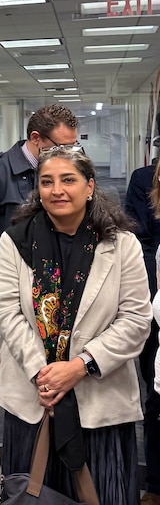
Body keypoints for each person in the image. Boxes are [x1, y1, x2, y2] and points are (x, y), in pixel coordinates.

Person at [0, 147, 150, 503]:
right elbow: (5, 312)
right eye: (47, 181)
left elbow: (136, 319)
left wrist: (80, 366)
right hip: (33, 399)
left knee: (101, 492)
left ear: (90, 186)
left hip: (99, 402)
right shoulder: (14, 242)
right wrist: (43, 374)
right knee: (32, 493)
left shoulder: (122, 245)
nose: (56, 189)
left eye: (68, 179)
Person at [0, 104, 79, 356]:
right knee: (9, 370)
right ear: (36, 139)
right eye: (61, 147)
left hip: (58, 290)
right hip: (10, 289)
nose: (69, 155)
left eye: (73, 147)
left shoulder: (70, 171)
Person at [125, 159, 160, 505]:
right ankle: (156, 482)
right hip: (157, 306)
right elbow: (140, 243)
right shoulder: (145, 179)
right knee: (156, 397)